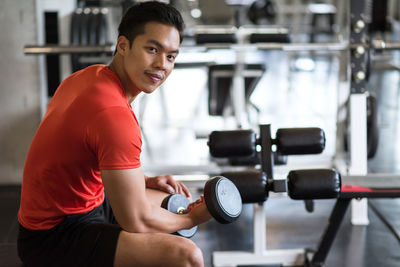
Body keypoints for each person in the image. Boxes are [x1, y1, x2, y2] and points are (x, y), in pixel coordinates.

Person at [17, 2, 212, 266]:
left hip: (85, 204)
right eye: (152, 49)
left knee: (171, 201)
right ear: (123, 45)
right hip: (53, 235)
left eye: (171, 56)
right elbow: (137, 220)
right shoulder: (113, 114)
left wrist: (143, 180)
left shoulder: (88, 77)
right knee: (188, 255)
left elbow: (85, 156)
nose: (161, 65)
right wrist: (193, 218)